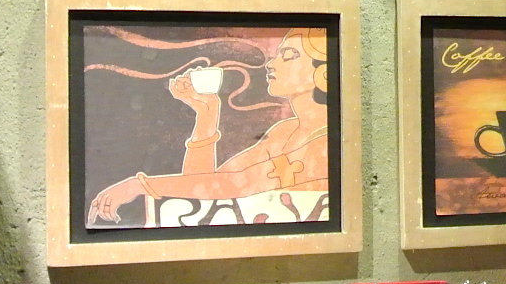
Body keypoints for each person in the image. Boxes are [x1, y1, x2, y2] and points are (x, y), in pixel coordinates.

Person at [86, 28, 331, 226]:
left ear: (324, 74)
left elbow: (235, 184)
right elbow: (205, 186)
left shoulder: (328, 141)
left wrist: (140, 185)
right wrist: (206, 113)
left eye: (288, 55)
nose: (271, 63)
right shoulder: (284, 132)